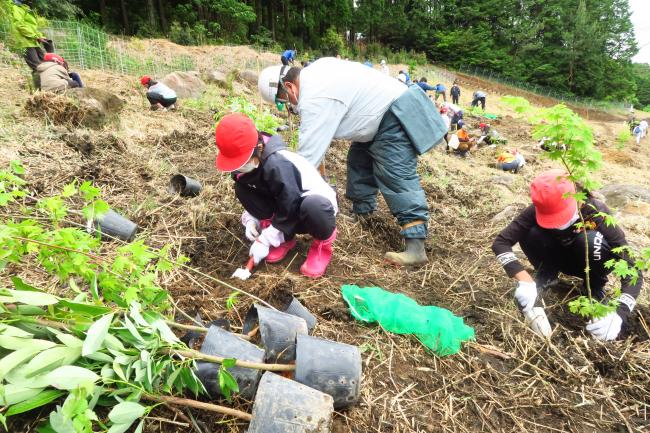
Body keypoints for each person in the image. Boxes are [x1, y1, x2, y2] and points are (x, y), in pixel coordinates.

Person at [258, 59, 447, 266]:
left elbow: (305, 162)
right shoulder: (316, 72)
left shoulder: (315, 97)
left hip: (395, 114)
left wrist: (281, 197)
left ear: (289, 87)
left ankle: (416, 247)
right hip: (377, 117)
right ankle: (363, 214)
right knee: (359, 162)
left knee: (395, 175)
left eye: (283, 100)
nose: (288, 105)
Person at [492, 169, 642, 340]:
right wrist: (524, 280)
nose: (557, 223)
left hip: (588, 262)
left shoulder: (596, 211)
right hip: (555, 257)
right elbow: (501, 242)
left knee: (590, 240)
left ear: (576, 198)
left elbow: (631, 266)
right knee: (530, 232)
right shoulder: (537, 209)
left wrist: (619, 313)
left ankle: (593, 286)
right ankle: (547, 273)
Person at [214, 113, 338, 278]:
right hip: (286, 208)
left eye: (242, 163)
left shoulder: (278, 164)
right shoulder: (245, 171)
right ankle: (285, 238)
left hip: (311, 209)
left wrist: (266, 239)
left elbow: (291, 202)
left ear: (259, 149)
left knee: (313, 206)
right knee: (242, 188)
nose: (239, 169)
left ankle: (321, 247)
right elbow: (263, 195)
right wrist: (252, 219)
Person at [6, 0, 53, 72]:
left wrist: (40, 36)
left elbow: (33, 27)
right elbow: (19, 25)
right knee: (38, 67)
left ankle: (44, 81)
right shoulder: (16, 8)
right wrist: (35, 36)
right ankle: (43, 82)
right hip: (24, 42)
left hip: (33, 41)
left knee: (45, 63)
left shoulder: (25, 8)